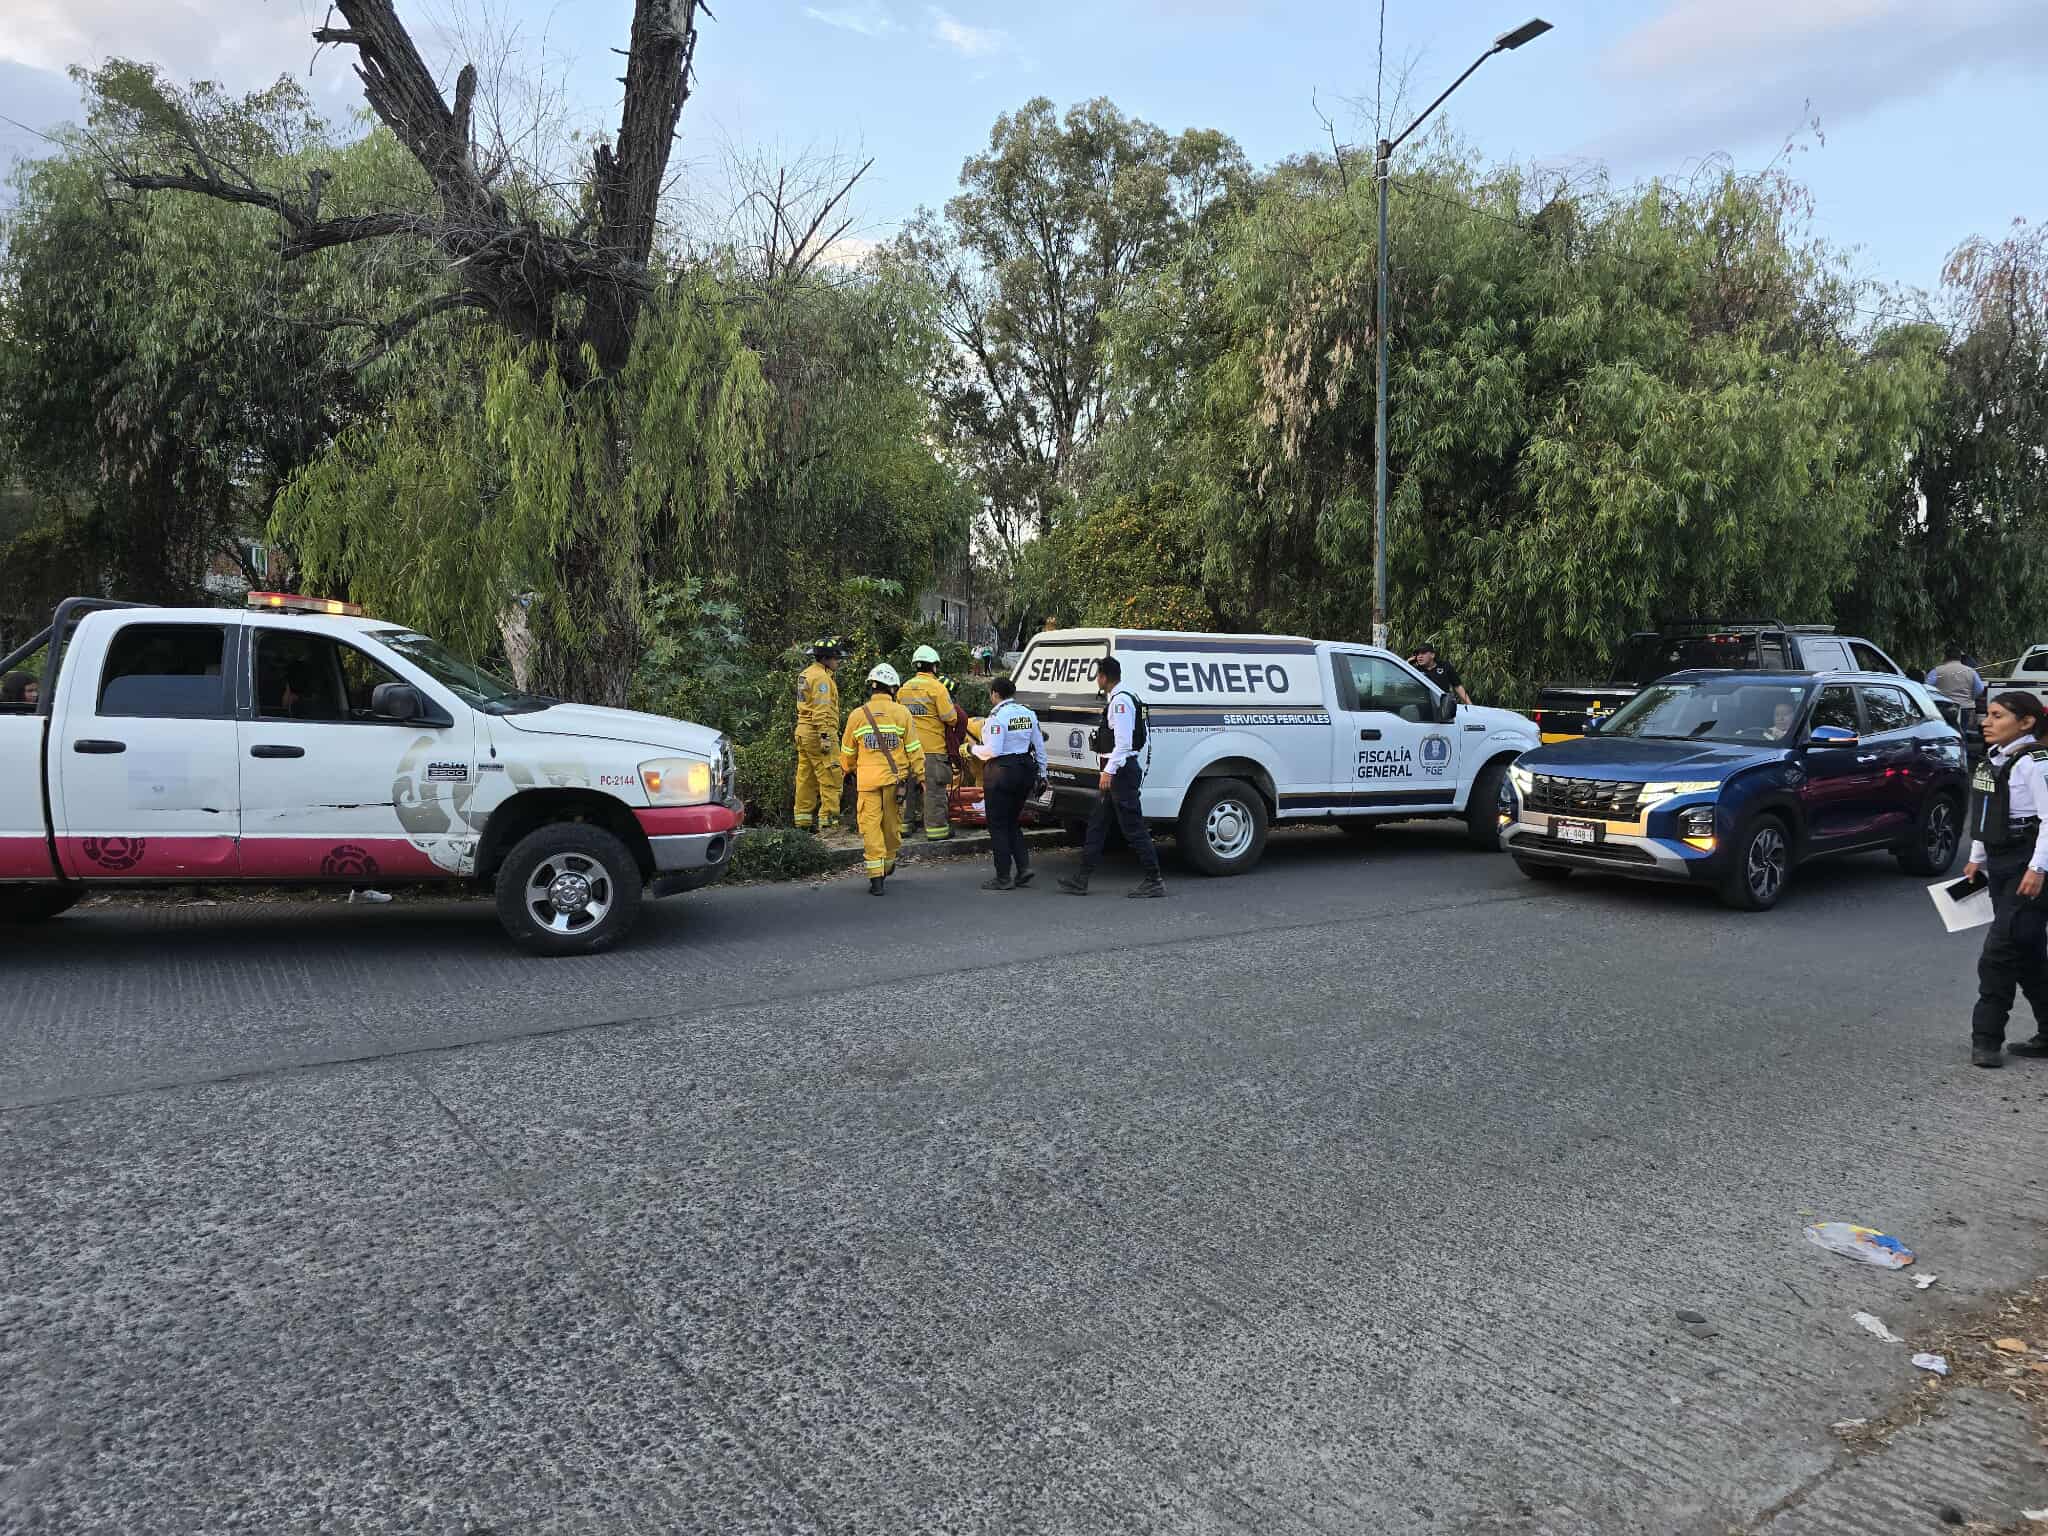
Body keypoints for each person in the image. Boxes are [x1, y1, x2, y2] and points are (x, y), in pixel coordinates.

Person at [1963, 690, 2048, 1067]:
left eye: (1998, 716)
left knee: (1998, 952)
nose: (1987, 722)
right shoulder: (1994, 759)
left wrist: (2038, 868)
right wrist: (1976, 858)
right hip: (1999, 861)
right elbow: (1986, 811)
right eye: (1988, 714)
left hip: (2028, 863)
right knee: (2027, 950)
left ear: (2026, 722)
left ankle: (1986, 1039)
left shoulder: (2035, 762)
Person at [1058, 656, 1166, 898]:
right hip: (1116, 771)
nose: (1097, 679)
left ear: (1104, 677)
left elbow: (1124, 743)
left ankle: (1154, 879)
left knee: (1133, 828)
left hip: (1120, 772)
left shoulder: (1121, 702)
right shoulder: (1121, 698)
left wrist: (1109, 771)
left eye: (1098, 675)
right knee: (1097, 824)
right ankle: (1081, 878)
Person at [840, 662, 922, 895]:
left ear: (872, 687)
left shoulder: (857, 715)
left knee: (870, 827)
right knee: (892, 825)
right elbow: (914, 749)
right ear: (893, 688)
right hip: (895, 782)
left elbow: (847, 753)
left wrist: (848, 770)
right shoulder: (902, 713)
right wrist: (921, 776)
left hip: (867, 782)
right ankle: (888, 863)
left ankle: (876, 879)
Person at [975, 675, 1048, 891]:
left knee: (998, 825)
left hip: (1002, 772)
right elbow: (1039, 746)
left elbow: (993, 750)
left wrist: (971, 749)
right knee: (1011, 821)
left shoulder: (996, 717)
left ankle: (1003, 877)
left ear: (995, 694)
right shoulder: (1028, 713)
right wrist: (1043, 774)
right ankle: (1023, 868)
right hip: (1025, 771)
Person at [897, 646, 958, 842]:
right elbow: (951, 718)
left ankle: (904, 826)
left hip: (907, 749)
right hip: (932, 749)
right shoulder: (937, 688)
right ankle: (936, 829)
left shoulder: (904, 688)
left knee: (906, 789)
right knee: (933, 791)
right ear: (934, 666)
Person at [793, 639, 844, 834]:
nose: (838, 661)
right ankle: (828, 822)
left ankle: (803, 821)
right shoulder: (822, 679)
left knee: (806, 778)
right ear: (825, 659)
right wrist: (824, 736)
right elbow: (821, 710)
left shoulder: (806, 674)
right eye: (835, 658)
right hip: (818, 732)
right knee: (831, 776)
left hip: (803, 732)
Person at [1927, 645, 1982, 737]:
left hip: (1943, 707)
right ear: (1960, 658)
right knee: (1962, 732)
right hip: (1964, 707)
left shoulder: (1936, 671)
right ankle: (1962, 744)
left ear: (1945, 657)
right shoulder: (1971, 671)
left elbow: (1927, 687)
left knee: (1943, 732)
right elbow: (1979, 689)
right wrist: (1970, 698)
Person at [1410, 641, 1472, 707]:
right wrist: (1408, 663)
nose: (1419, 656)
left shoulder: (1445, 666)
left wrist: (1470, 705)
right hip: (1422, 706)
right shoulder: (1415, 670)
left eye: (1423, 653)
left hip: (1444, 706)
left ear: (1432, 655)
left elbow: (1457, 686)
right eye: (1417, 654)